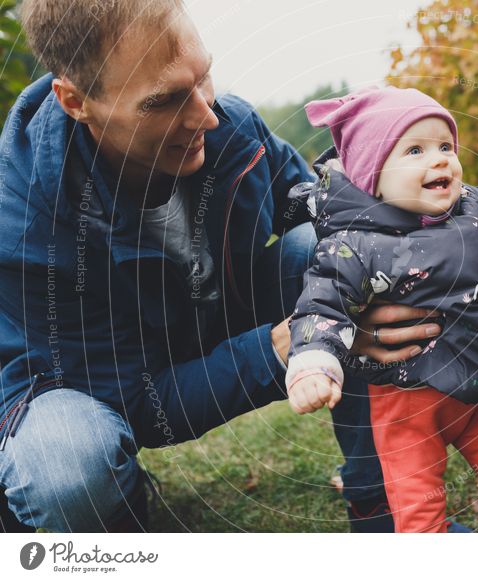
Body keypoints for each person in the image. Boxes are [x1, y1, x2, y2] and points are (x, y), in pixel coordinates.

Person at [0, 0, 442, 533]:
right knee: (68, 465)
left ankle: (382, 512)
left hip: (200, 319)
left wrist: (409, 197)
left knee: (341, 253)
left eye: (203, 77)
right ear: (75, 102)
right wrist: (289, 344)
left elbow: (315, 206)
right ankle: (109, 508)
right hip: (76, 391)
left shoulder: (230, 126)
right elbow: (138, 405)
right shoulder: (27, 227)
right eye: (162, 102)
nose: (205, 116)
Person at [282, 87, 478, 532]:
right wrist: (314, 364)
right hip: (406, 405)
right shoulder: (353, 243)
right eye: (415, 150)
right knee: (418, 502)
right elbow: (322, 305)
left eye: (445, 147)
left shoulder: (474, 208)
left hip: (476, 384)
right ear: (372, 175)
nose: (439, 160)